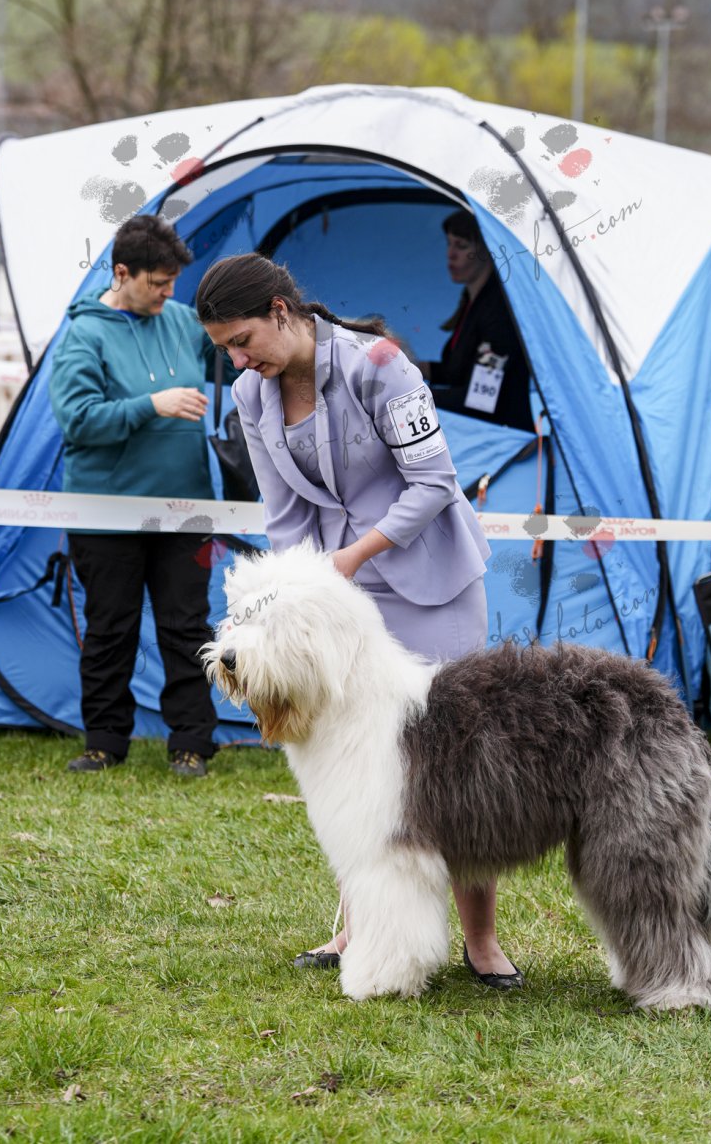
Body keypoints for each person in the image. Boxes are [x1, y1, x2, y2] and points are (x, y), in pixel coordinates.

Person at [196, 252, 523, 990]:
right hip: (337, 595)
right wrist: (295, 590)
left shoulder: (380, 365)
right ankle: (358, 928)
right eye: (225, 350)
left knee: (452, 763)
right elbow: (284, 513)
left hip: (426, 582)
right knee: (349, 758)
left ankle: (481, 940)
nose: (238, 360)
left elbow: (434, 482)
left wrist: (349, 560)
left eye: (242, 340)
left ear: (281, 311)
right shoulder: (251, 394)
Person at [49, 215, 218, 778]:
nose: (168, 294)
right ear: (122, 273)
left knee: (187, 627)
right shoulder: (83, 335)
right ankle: (104, 742)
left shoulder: (184, 322)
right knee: (110, 628)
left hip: (186, 509)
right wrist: (152, 406)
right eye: (158, 283)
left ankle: (192, 743)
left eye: (173, 283)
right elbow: (77, 420)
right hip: (105, 512)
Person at [422, 210, 530, 429]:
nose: (450, 254)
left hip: (504, 438)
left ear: (486, 250)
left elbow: (480, 399)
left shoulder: (499, 314)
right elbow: (458, 372)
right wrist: (410, 366)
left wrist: (413, 396)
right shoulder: (475, 304)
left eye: (461, 246)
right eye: (449, 244)